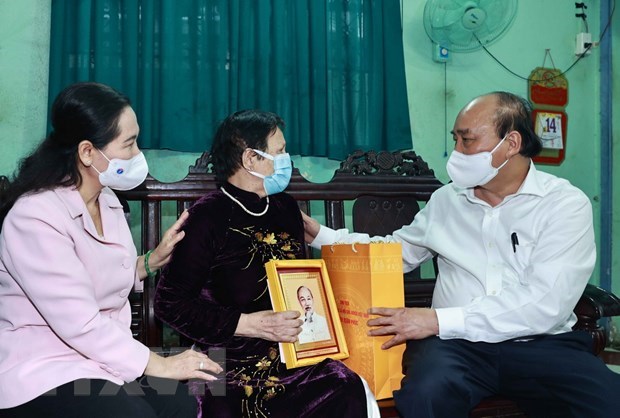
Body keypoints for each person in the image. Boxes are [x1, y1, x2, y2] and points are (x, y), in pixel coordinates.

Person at [303, 91, 620, 418]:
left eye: (467, 141)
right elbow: (395, 254)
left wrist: (436, 320)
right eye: (455, 140)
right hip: (456, 348)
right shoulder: (446, 201)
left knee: (609, 402)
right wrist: (322, 235)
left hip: (540, 345)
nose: (456, 153)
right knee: (426, 396)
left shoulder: (564, 205)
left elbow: (546, 304)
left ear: (511, 144)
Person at [0, 82, 222, 418]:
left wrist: (148, 262)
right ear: (88, 152)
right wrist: (161, 364)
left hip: (97, 360)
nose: (138, 155)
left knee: (180, 404)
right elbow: (79, 321)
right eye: (129, 144)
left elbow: (94, 275)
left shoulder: (106, 201)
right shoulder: (35, 216)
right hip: (43, 366)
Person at [153, 109, 380, 417]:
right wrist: (248, 324)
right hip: (227, 356)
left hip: (293, 353)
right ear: (250, 159)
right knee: (222, 405)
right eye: (280, 151)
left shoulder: (285, 207)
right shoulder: (207, 217)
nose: (287, 159)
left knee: (346, 385)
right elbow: (170, 303)